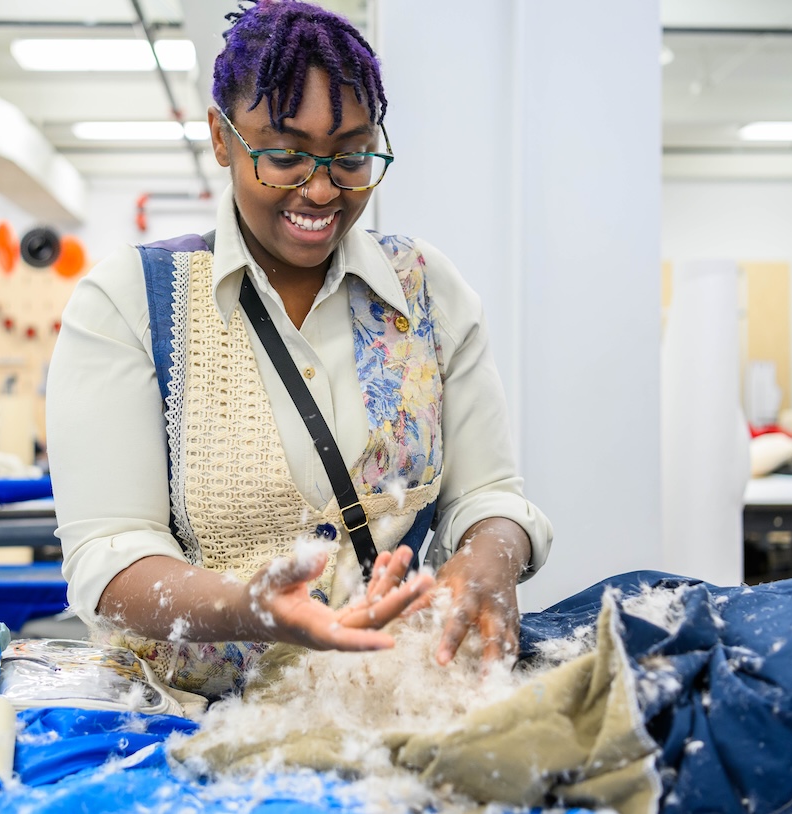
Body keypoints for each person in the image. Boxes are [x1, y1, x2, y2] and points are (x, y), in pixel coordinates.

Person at [46, 0, 553, 698]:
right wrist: (245, 608)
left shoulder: (427, 293)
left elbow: (490, 493)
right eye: (283, 155)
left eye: (350, 157)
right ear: (222, 141)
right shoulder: (132, 302)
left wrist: (490, 556)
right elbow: (110, 556)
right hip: (198, 716)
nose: (320, 190)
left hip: (400, 698)